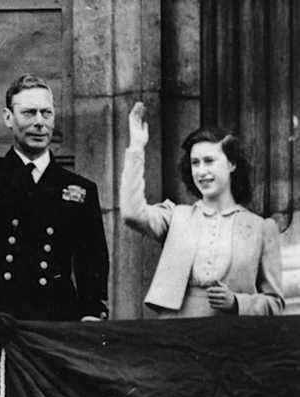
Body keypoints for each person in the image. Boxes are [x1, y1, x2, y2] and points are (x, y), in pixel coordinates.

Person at [0, 9, 109, 321]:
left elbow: (92, 261)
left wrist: (92, 314)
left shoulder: (79, 189)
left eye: (46, 113)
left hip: (53, 319)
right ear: (8, 118)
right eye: (29, 113)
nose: (40, 123)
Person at [120, 102, 284, 317]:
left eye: (209, 161)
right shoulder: (177, 216)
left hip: (233, 337)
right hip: (176, 332)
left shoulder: (261, 227)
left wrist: (237, 303)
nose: (201, 171)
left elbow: (275, 303)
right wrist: (137, 147)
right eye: (195, 163)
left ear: (231, 164)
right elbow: (132, 213)